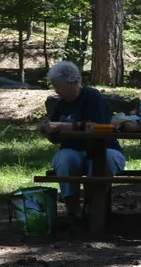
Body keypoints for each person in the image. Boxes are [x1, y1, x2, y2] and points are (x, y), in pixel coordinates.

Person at [39, 60, 126, 220]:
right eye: (54, 87)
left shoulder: (93, 97)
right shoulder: (61, 103)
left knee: (104, 161)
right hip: (73, 151)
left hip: (105, 149)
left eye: (59, 86)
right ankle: (73, 211)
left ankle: (92, 209)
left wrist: (62, 126)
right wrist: (49, 130)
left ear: (73, 83)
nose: (56, 91)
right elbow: (56, 137)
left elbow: (96, 127)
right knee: (64, 159)